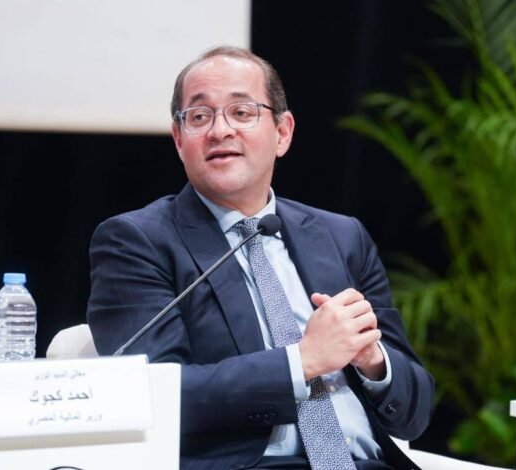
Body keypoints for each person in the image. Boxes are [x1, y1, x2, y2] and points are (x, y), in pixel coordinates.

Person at [87, 46, 435, 470]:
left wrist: (372, 360)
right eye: (199, 116)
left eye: (241, 112)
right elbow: (150, 395)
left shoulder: (342, 237)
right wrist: (303, 361)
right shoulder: (136, 241)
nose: (220, 130)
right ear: (179, 139)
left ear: (282, 133)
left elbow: (416, 412)